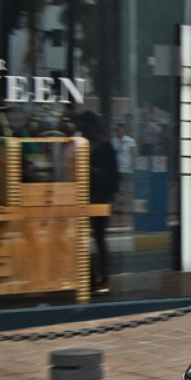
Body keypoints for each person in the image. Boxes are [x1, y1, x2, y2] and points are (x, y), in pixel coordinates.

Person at [75, 111, 118, 296]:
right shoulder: (82, 146)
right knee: (84, 239)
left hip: (99, 197)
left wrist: (96, 173)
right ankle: (91, 278)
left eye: (85, 128)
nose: (83, 132)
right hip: (84, 197)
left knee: (99, 238)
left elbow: (113, 176)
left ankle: (103, 278)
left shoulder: (105, 146)